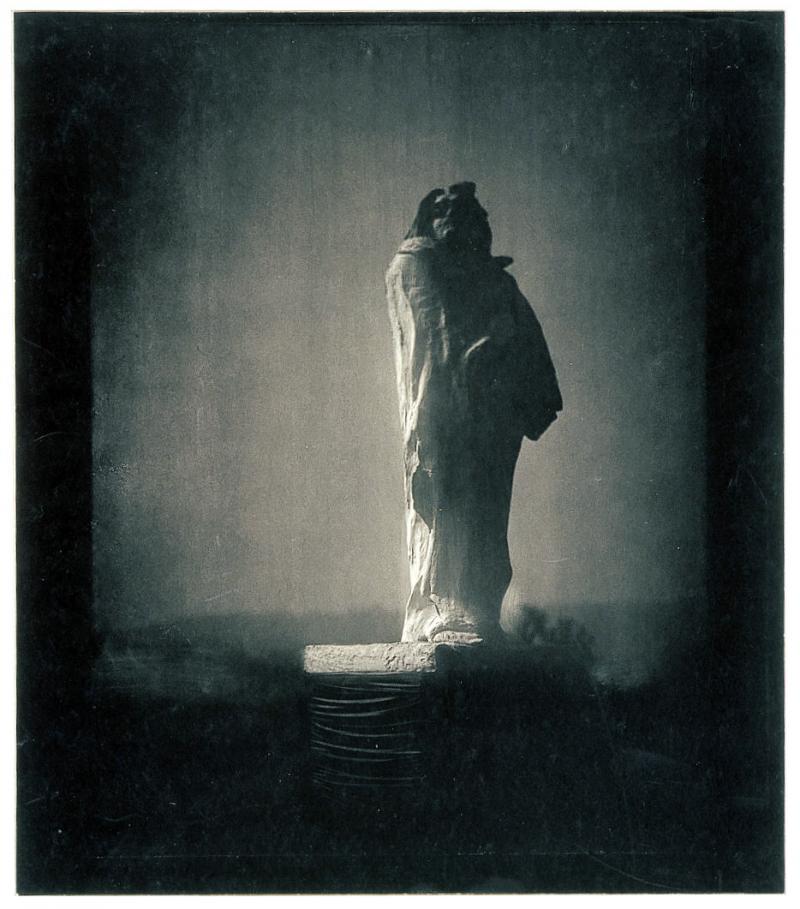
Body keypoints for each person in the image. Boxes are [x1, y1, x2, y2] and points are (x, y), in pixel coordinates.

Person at [385, 182, 562, 644]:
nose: (476, 228)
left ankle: (475, 608)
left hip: (490, 421)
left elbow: (527, 346)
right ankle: (444, 607)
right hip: (445, 417)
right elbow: (432, 344)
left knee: (485, 515)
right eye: (460, 218)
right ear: (437, 224)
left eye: (478, 219)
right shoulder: (416, 266)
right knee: (444, 512)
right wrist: (475, 360)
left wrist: (501, 361)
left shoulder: (497, 283)